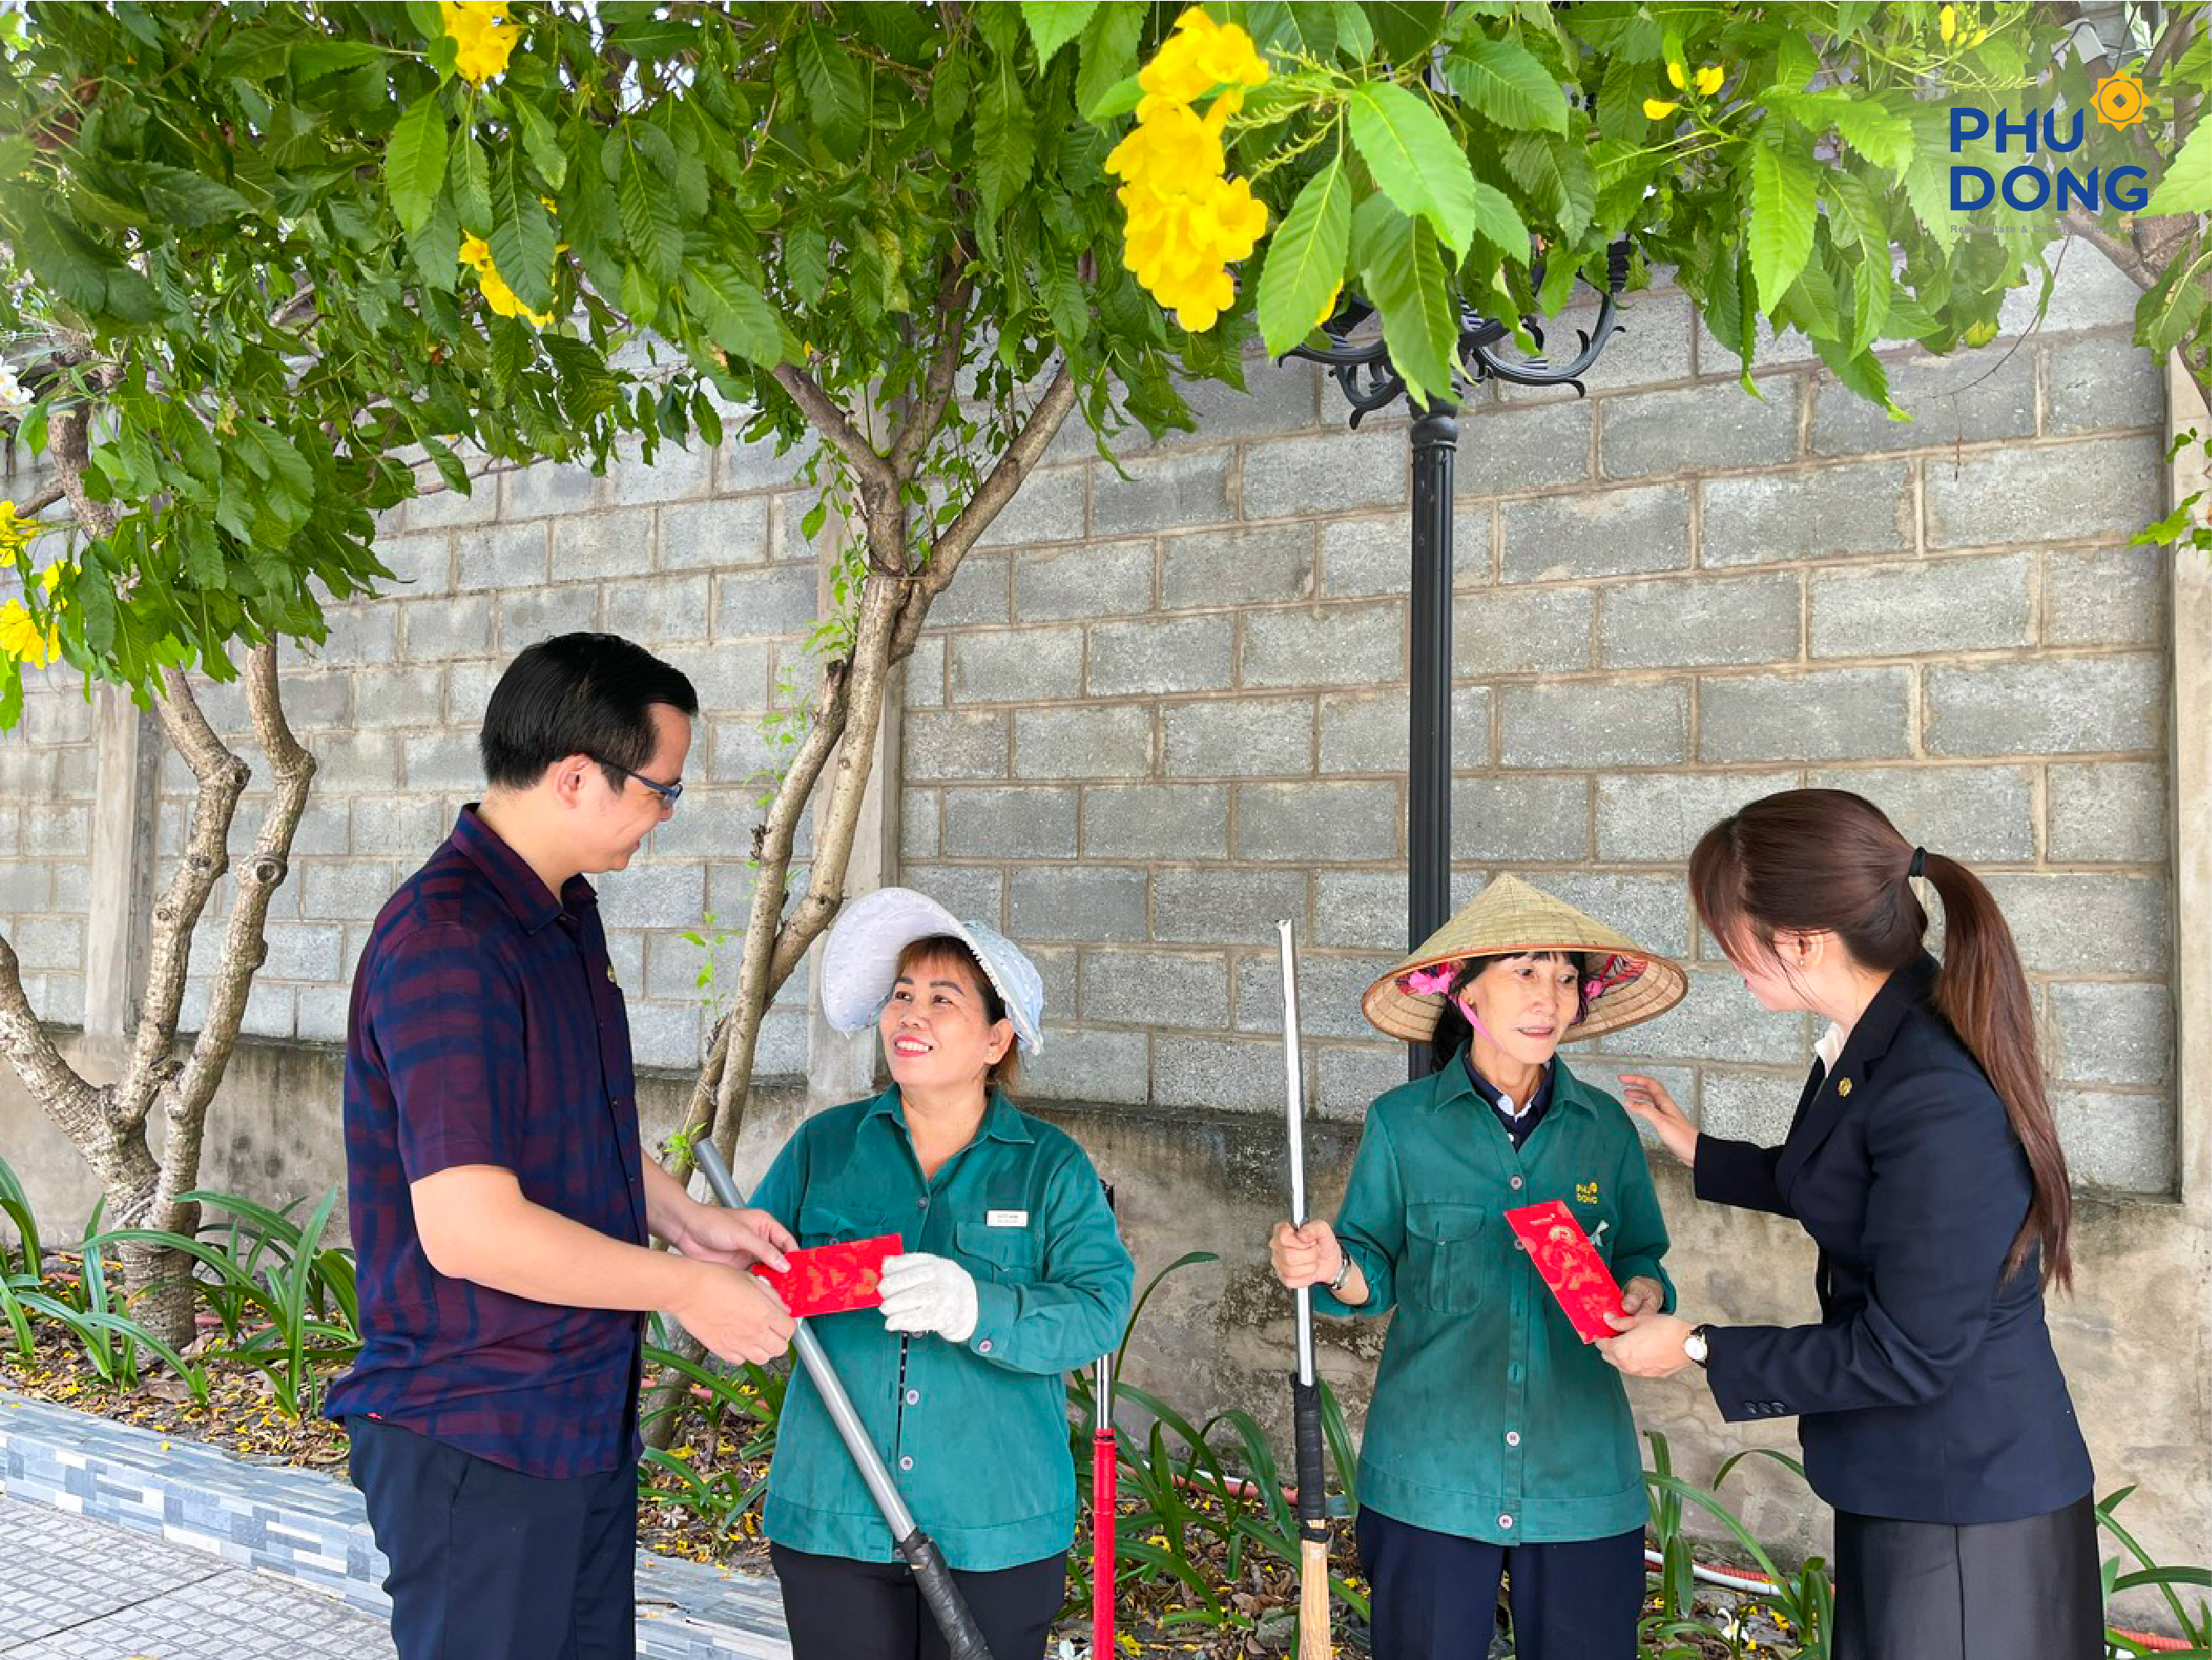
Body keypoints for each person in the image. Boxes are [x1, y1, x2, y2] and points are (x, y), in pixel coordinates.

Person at [326, 633, 799, 1660]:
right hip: (478, 1428)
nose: (666, 815)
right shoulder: (449, 942)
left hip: (572, 1412)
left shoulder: (560, 910)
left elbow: (568, 1125)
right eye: (661, 790)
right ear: (578, 776)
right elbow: (470, 1233)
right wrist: (680, 1290)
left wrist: (687, 1222)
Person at [1598, 788, 2100, 1660]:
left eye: (1732, 936)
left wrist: (1696, 1346)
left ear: (1802, 940)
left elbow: (1908, 1350)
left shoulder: (1932, 1089)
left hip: (1966, 1508)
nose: (1728, 960)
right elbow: (1852, 1180)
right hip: (1916, 1477)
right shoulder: (1883, 1029)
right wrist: (1699, 1151)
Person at [1268, 874, 1689, 1660]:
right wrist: (1328, 1263)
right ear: (1466, 996)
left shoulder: (1603, 1129)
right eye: (1525, 973)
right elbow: (1372, 1272)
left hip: (1579, 1481)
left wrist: (1642, 1289)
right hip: (1433, 1472)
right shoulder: (1402, 1125)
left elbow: (1643, 1256)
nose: (1550, 998)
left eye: (1565, 977)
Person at [751, 887, 1135, 1660]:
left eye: (941, 997)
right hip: (836, 1517)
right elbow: (747, 1276)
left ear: (997, 1039)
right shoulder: (823, 1148)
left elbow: (1098, 1309)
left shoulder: (1049, 1168)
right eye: (900, 995)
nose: (909, 1015)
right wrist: (754, 1293)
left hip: (995, 1526)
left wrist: (976, 1307)